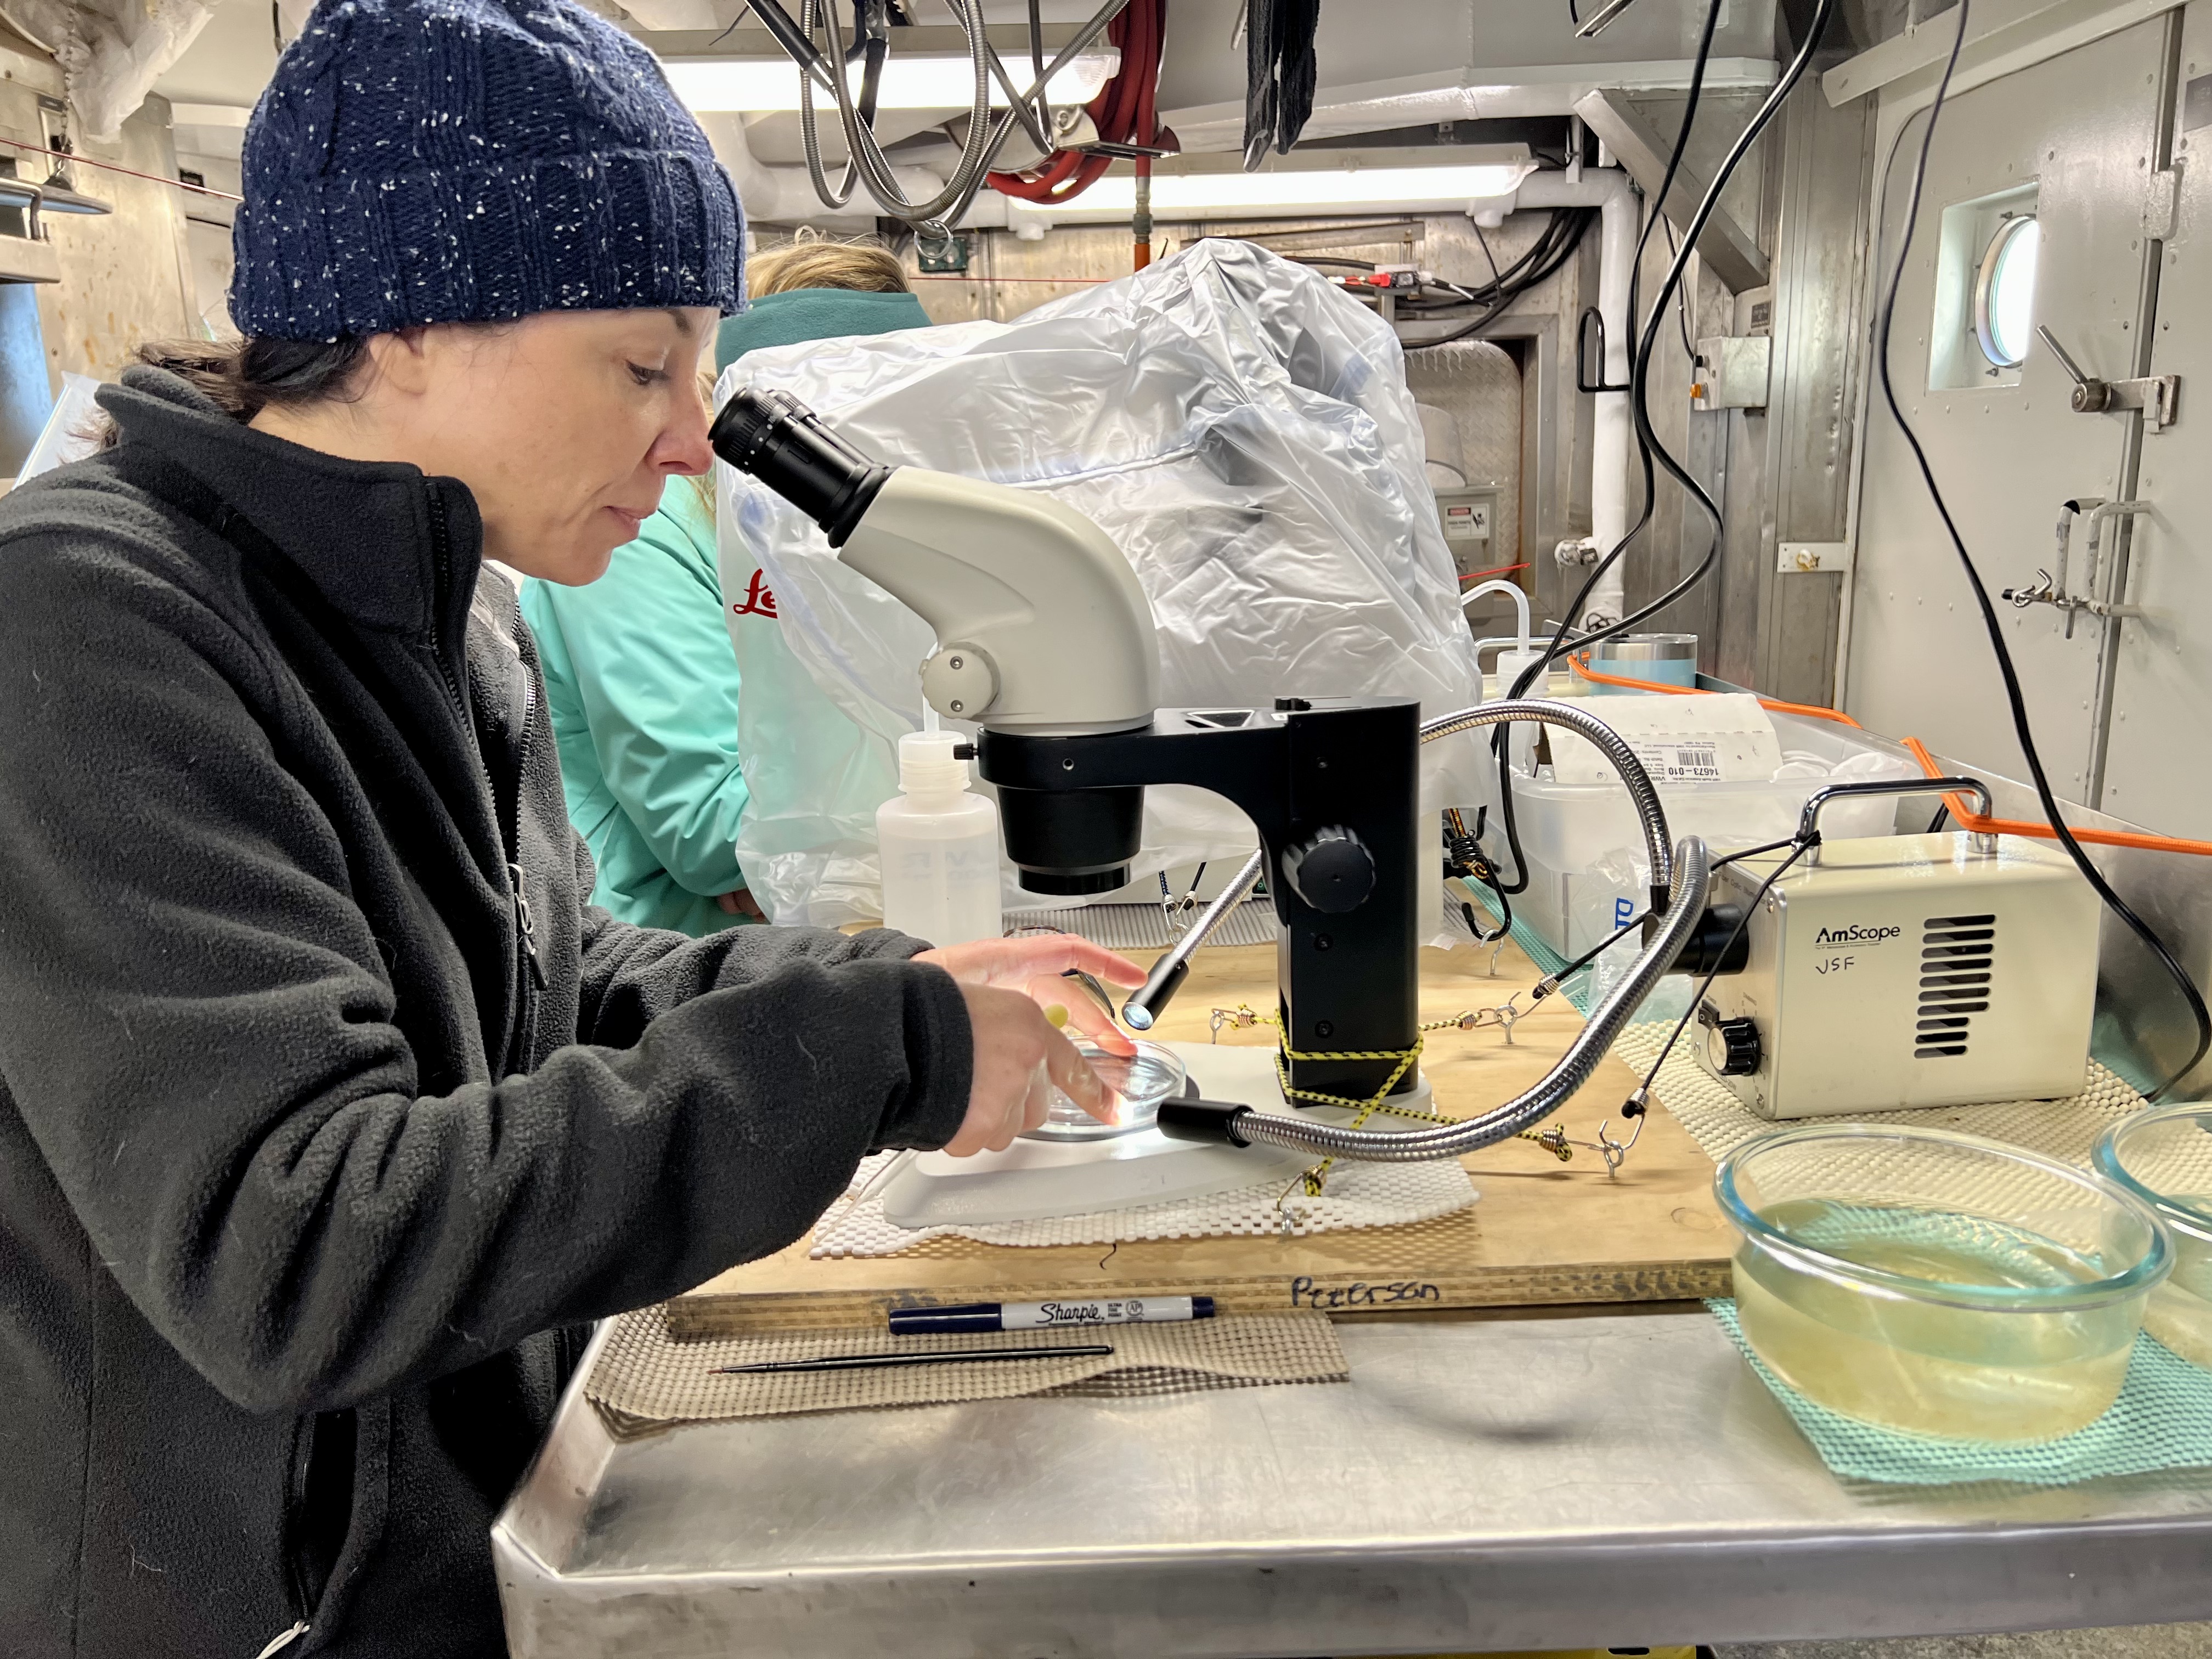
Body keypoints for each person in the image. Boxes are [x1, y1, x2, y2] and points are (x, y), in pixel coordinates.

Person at [0, 4, 1141, 1656]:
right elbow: (301, 1243)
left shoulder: (454, 609)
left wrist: (878, 982)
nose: (691, 440)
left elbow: (552, 974)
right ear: (398, 326)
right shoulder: (91, 625)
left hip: (470, 1562)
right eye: (641, 364)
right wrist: (861, 1062)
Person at [520, 239, 930, 934]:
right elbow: (715, 835)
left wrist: (827, 841)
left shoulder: (900, 528)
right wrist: (919, 812)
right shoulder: (642, 530)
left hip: (835, 939)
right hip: (661, 971)